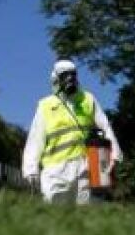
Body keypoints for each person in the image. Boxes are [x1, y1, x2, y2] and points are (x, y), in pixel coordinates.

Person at [22, 59, 122, 205]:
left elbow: (105, 127)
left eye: (72, 74)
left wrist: (115, 154)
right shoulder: (46, 105)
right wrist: (31, 169)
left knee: (86, 212)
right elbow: (36, 139)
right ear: (56, 78)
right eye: (64, 75)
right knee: (55, 213)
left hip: (85, 167)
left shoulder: (87, 99)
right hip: (55, 170)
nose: (70, 79)